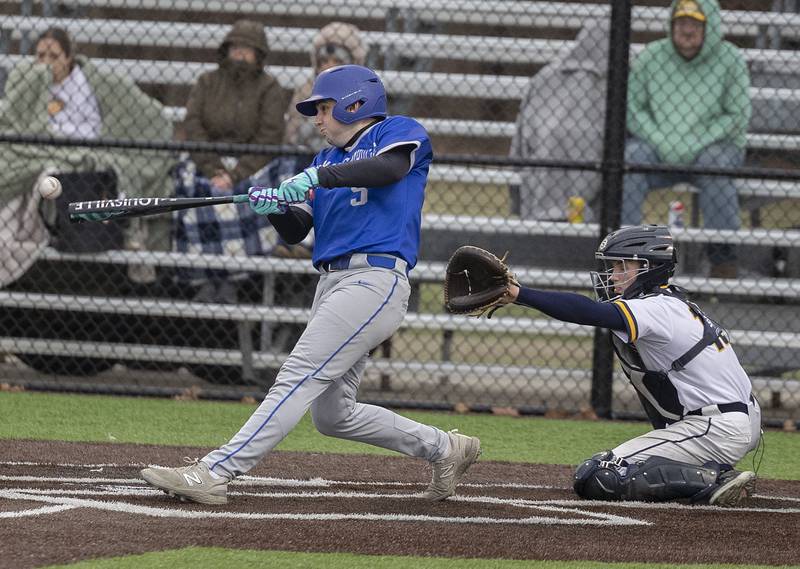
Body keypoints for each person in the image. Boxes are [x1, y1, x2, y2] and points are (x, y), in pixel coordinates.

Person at [141, 64, 481, 505]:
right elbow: (297, 230)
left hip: (374, 280)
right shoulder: (324, 160)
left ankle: (216, 471)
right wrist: (276, 207)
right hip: (333, 282)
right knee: (333, 415)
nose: (317, 119)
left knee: (296, 376)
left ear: (354, 102)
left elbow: (388, 170)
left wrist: (314, 179)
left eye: (323, 108)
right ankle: (445, 448)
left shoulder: (397, 132)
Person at [495, 225, 761, 506]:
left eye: (623, 266)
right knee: (611, 470)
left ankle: (713, 479)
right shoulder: (673, 302)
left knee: (600, 475)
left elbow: (587, 312)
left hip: (716, 427)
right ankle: (710, 470)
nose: (613, 275)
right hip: (733, 420)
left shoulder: (658, 307)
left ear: (652, 268)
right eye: (613, 267)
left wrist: (518, 294)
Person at [0, 27, 172, 274]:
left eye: (54, 56)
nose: (46, 63)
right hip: (43, 148)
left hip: (81, 146)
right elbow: (18, 120)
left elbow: (92, 129)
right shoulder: (31, 81)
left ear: (68, 58)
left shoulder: (86, 84)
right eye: (40, 56)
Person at [622, 0, 752, 279]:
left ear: (710, 26)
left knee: (715, 164)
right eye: (681, 22)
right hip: (658, 147)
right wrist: (662, 140)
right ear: (671, 25)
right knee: (632, 158)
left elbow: (736, 115)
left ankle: (723, 260)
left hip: (713, 147)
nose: (687, 30)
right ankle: (627, 255)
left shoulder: (731, 58)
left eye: (695, 23)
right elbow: (633, 108)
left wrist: (693, 143)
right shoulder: (651, 56)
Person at [174, 19, 287, 301]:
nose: (240, 55)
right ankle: (202, 277)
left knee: (246, 191)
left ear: (258, 54)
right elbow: (194, 126)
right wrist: (214, 169)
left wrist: (235, 174)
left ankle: (232, 279)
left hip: (251, 162)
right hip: (209, 159)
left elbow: (269, 137)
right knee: (193, 185)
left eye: (247, 49)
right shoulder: (207, 82)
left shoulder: (269, 87)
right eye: (236, 48)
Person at [509, 18, 610, 222]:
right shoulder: (548, 77)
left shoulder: (546, 75)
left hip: (541, 183)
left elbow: (519, 142)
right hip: (586, 186)